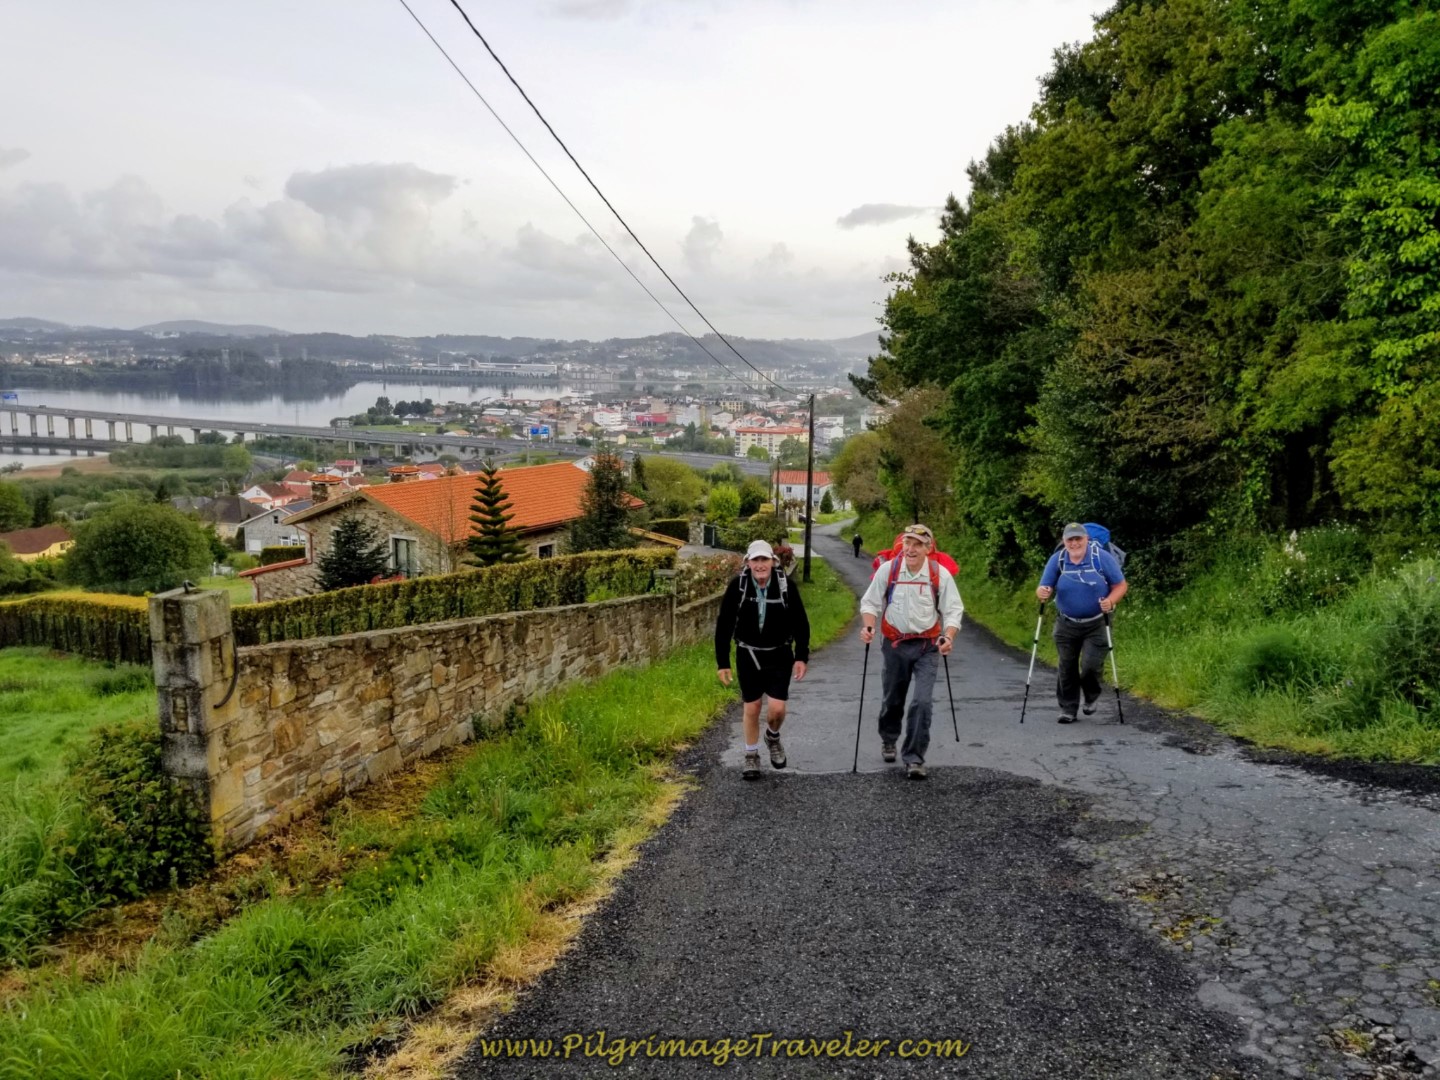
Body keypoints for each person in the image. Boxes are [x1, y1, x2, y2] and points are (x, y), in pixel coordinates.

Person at [858, 523, 963, 780]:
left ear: (928, 548)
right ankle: (889, 737)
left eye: (917, 544)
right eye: (907, 543)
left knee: (922, 702)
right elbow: (870, 602)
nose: (911, 549)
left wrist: (948, 637)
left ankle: (914, 757)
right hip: (894, 643)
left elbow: (953, 610)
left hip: (927, 646)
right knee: (893, 698)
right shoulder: (890, 569)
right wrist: (869, 626)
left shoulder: (939, 574)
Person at [716, 539, 811, 780]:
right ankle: (751, 755)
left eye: (764, 559)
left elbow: (801, 622)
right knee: (752, 706)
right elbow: (724, 624)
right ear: (748, 563)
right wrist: (723, 662)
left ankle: (772, 736)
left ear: (773, 562)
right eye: (755, 560)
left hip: (779, 653)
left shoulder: (785, 586)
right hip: (748, 653)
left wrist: (801, 656)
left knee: (777, 709)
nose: (760, 565)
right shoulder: (738, 586)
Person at [1036, 522, 1128, 724]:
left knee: (1090, 666)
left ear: (1086, 539)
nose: (1075, 543)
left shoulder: (1101, 558)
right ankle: (1068, 709)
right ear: (1064, 541)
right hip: (1066, 623)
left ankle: (1091, 696)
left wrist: (1110, 601)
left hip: (1097, 623)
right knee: (1066, 666)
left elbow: (1120, 585)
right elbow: (1044, 587)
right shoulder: (1058, 560)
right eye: (1070, 539)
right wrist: (1043, 592)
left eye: (1079, 538)